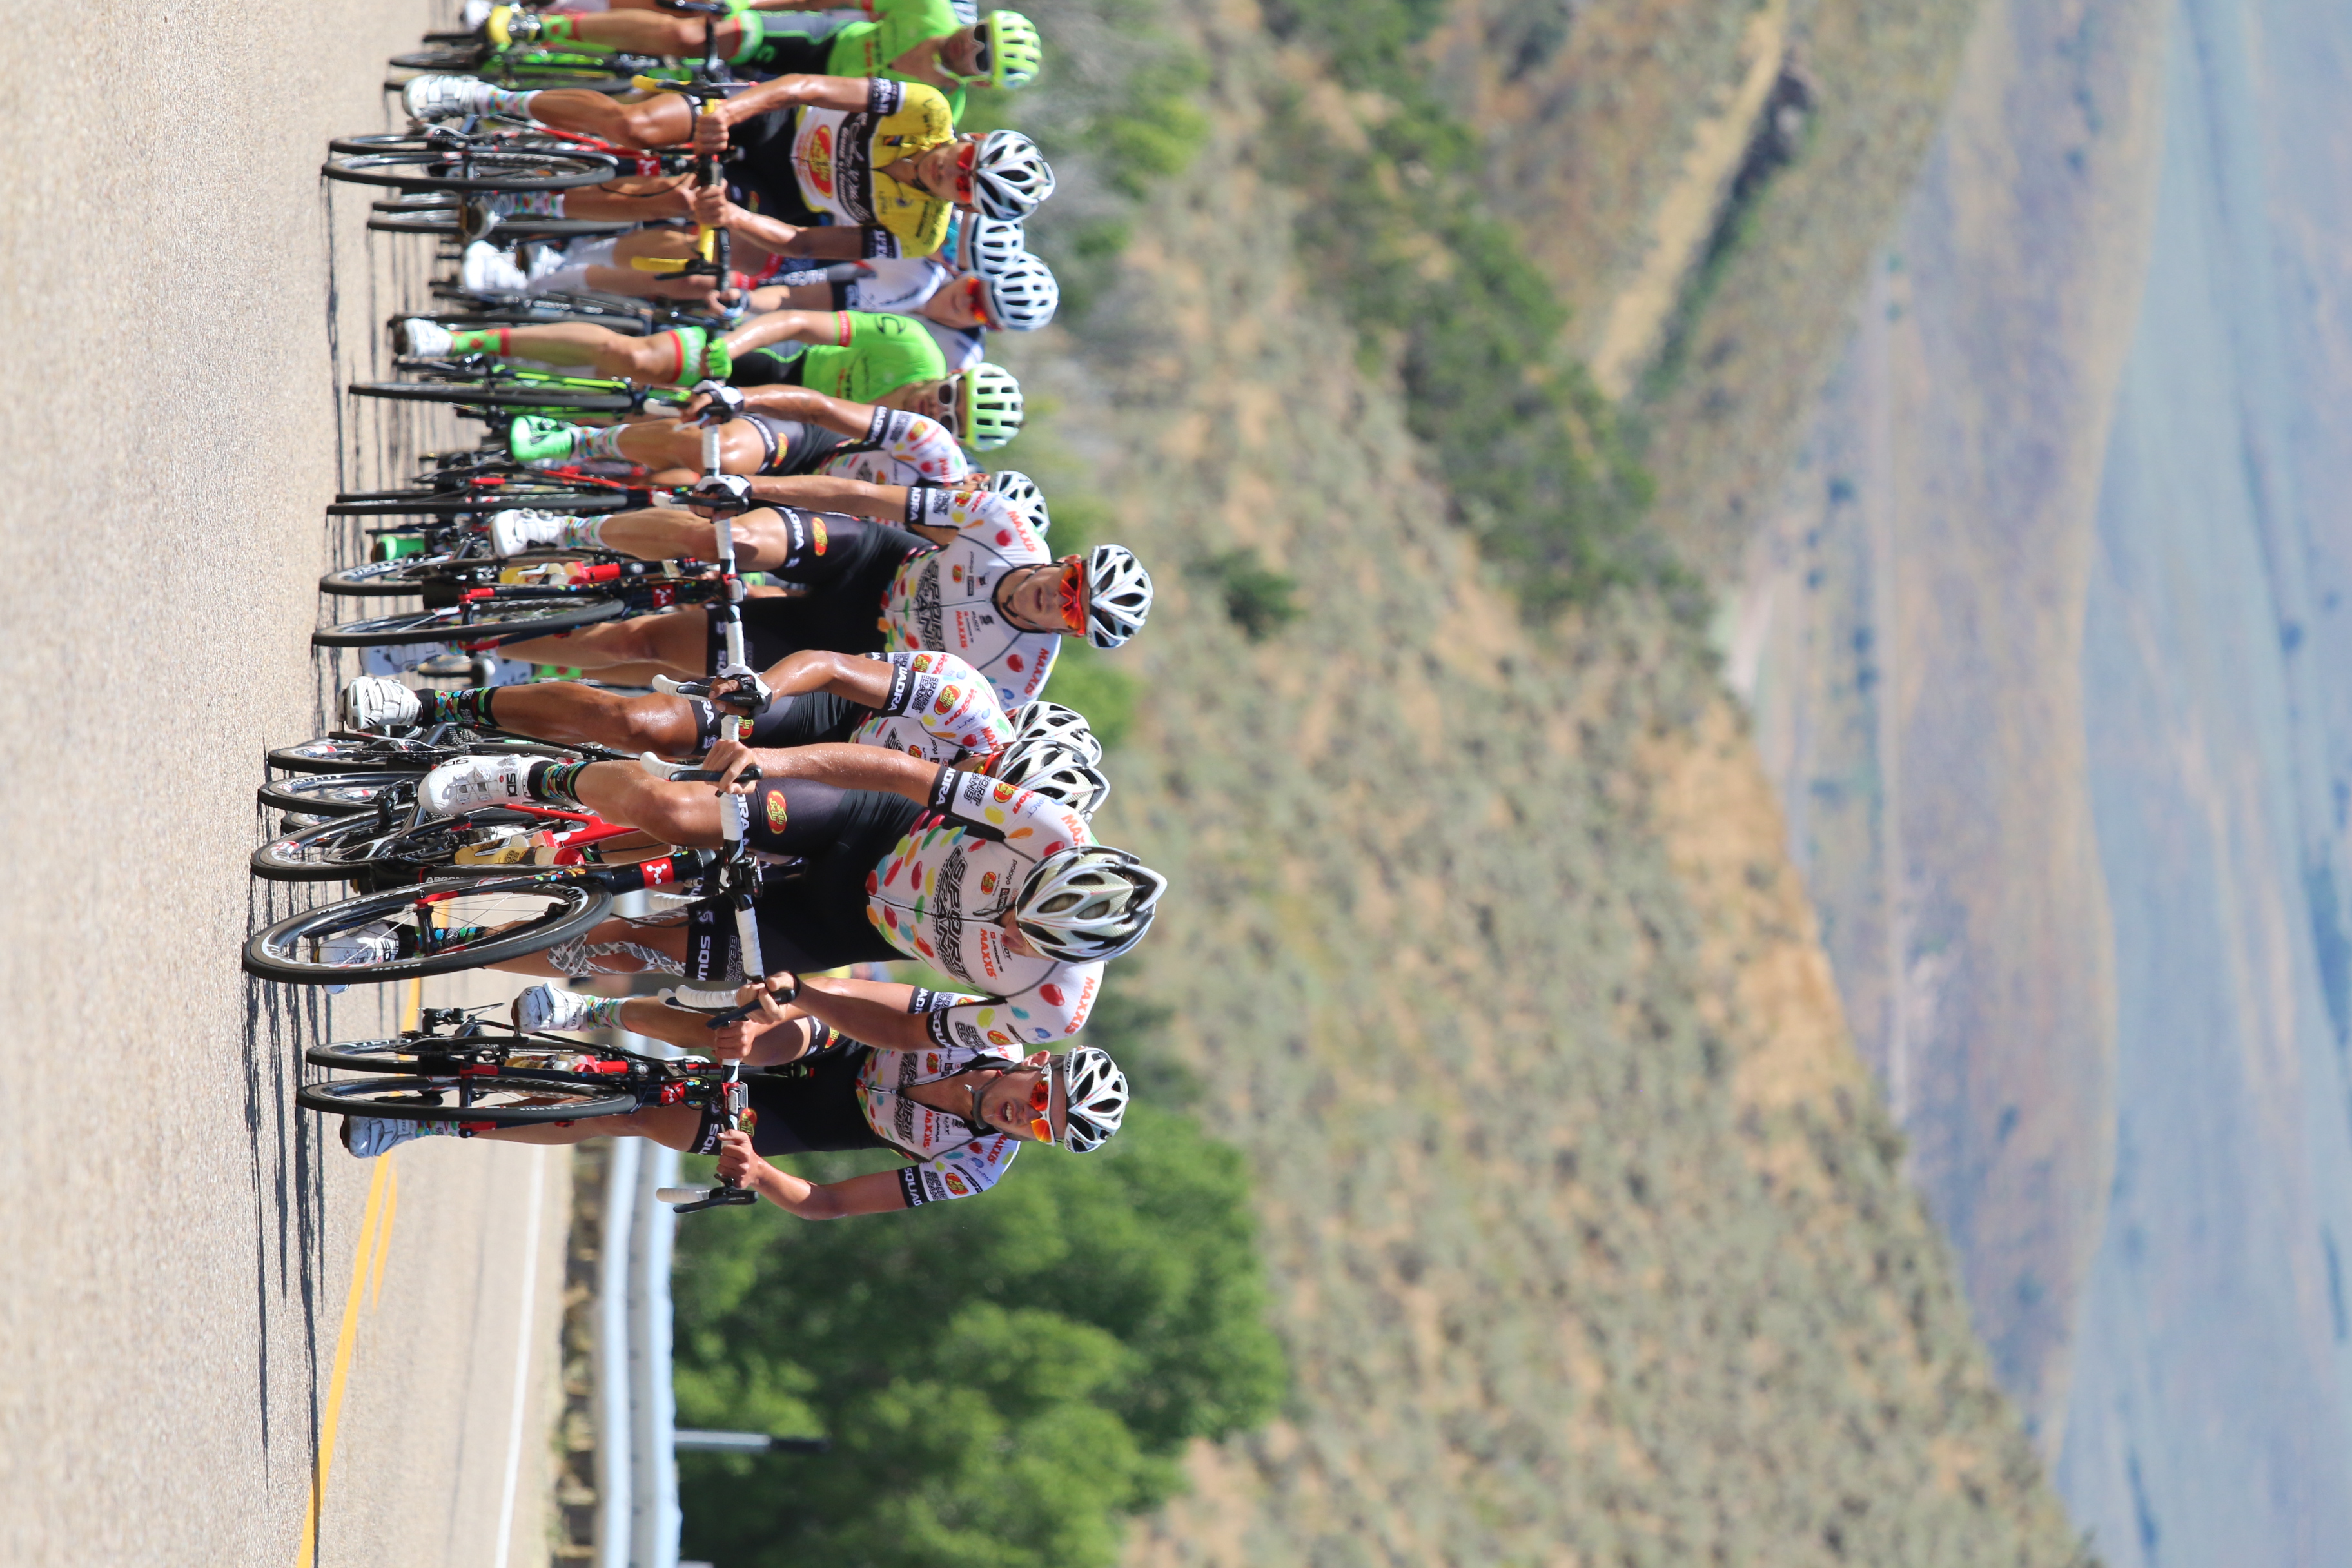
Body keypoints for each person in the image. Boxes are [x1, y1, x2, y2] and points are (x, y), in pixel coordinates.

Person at [400, 738, 1165, 1045]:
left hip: (846, 923)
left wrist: (807, 996)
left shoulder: (1051, 1006)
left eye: (1021, 935)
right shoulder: (1041, 823)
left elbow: (915, 1024)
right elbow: (900, 773)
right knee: (675, 812)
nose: (1003, 921)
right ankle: (522, 776)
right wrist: (776, 757)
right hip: (866, 828)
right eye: (1017, 897)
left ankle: (417, 945)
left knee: (647, 951)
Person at [342, 983, 1133, 1224]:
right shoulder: (972, 1026)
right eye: (1038, 1097)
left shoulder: (976, 1164)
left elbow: (824, 1199)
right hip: (837, 1041)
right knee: (744, 1039)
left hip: (818, 1117)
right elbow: (858, 998)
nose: (1022, 1116)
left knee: (635, 1116)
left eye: (1040, 1127)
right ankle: (597, 1011)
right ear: (1037, 1065)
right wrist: (781, 1007)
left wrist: (758, 1172)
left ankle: (428, 1119)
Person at [485, 479, 1150, 706]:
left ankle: (483, 638)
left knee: (648, 642)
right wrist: (758, 490)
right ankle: (567, 527)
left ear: (1070, 635)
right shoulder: (1000, 523)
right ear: (1065, 561)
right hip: (872, 564)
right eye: (1070, 586)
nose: (1055, 603)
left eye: (1071, 614)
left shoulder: (1015, 678)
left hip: (848, 647)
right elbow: (862, 497)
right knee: (736, 540)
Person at [400, 72, 1054, 262]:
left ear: (964, 207)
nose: (954, 175)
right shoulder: (926, 108)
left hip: (776, 190)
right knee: (635, 125)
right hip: (771, 118)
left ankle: (520, 208)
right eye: (968, 162)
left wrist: (733, 215)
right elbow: (802, 88)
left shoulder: (919, 233)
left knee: (678, 200)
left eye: (967, 187)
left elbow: (804, 241)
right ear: (972, 138)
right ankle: (486, 98)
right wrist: (729, 114)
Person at [482, 3, 1043, 120]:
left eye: (981, 60)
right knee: (694, 35)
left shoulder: (941, 107)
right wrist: (750, 7)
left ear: (981, 83)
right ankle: (540, 26)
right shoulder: (928, 9)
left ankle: (519, 121)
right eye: (980, 35)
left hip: (812, 106)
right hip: (822, 40)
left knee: (668, 114)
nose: (970, 47)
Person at [502, 386, 980, 484]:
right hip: (815, 447)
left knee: (686, 505)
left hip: (808, 513)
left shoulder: (938, 553)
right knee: (718, 452)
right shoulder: (931, 448)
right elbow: (820, 407)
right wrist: (738, 399)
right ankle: (581, 442)